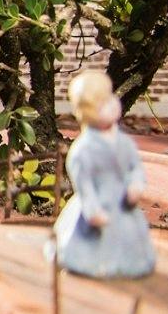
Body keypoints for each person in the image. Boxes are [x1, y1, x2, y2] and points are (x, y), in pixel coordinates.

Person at [52, 67, 155, 279]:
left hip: (121, 203)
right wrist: (92, 210)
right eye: (101, 103)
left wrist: (136, 184)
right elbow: (84, 183)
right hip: (98, 202)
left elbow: (134, 166)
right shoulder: (83, 149)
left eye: (109, 98)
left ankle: (128, 263)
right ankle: (86, 261)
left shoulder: (123, 142)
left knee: (126, 238)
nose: (110, 104)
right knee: (93, 240)